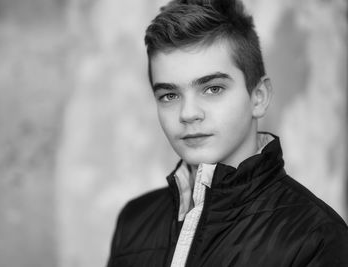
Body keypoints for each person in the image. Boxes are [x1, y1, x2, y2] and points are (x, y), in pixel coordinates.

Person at [107, 0, 348, 266]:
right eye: (169, 95)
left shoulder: (317, 237)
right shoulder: (133, 221)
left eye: (213, 89)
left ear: (259, 97)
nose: (188, 113)